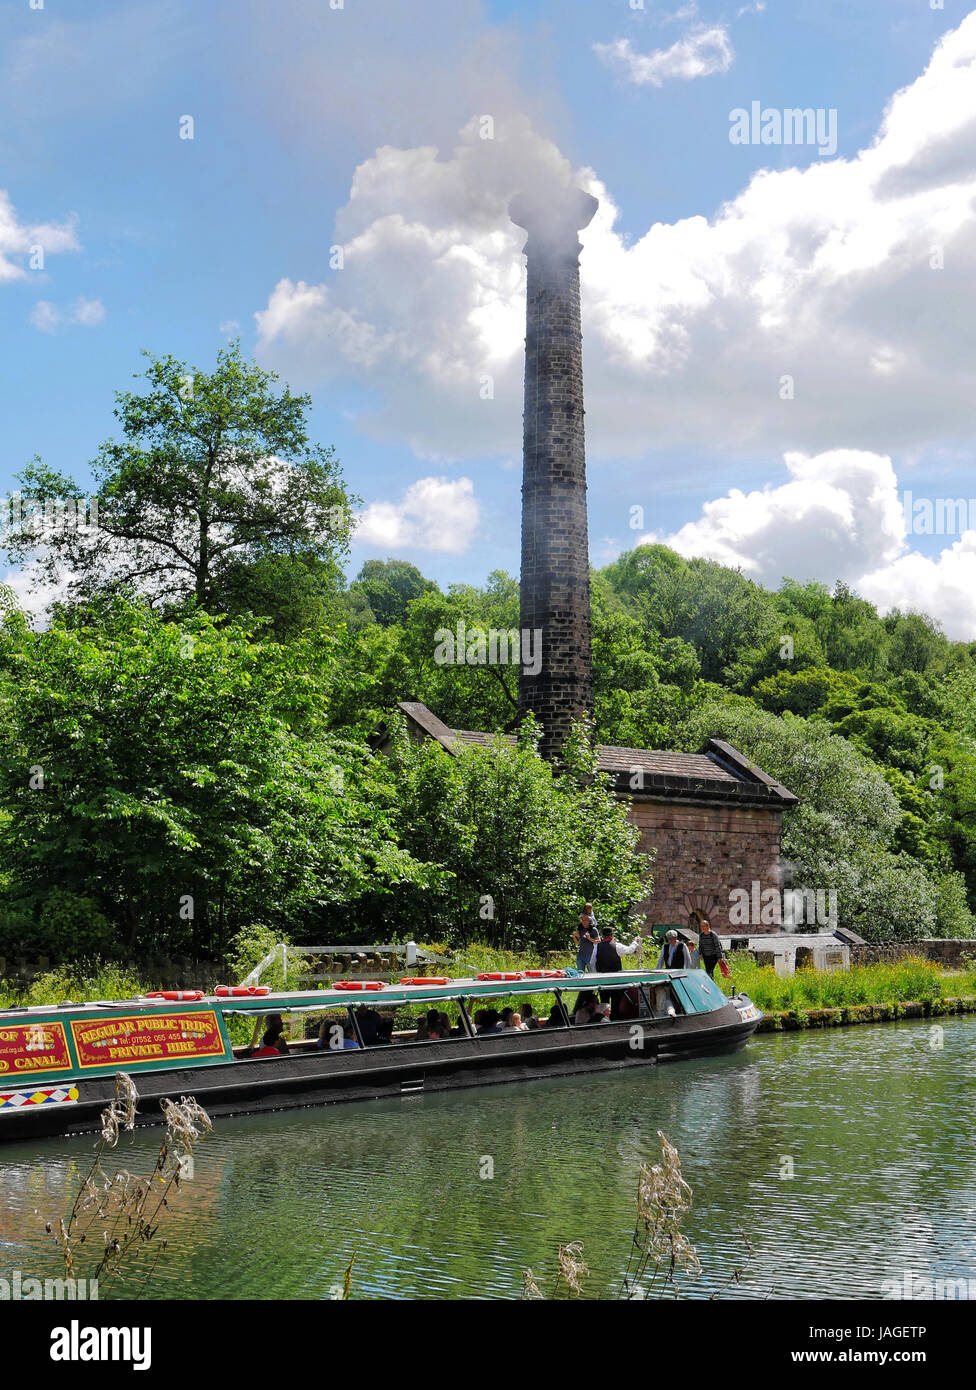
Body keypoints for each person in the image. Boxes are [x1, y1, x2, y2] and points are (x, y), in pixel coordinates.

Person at [594, 926, 642, 1019]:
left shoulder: (597, 946)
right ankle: (615, 1019)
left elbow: (592, 962)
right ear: (612, 935)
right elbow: (629, 950)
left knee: (604, 1002)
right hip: (615, 979)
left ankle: (604, 1020)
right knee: (616, 1002)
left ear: (602, 936)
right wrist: (635, 942)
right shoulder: (617, 945)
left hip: (602, 979)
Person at [574, 903, 600, 972]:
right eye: (583, 920)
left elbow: (598, 941)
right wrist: (574, 936)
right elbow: (577, 943)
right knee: (579, 973)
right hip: (581, 955)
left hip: (590, 955)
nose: (584, 921)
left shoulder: (593, 929)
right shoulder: (580, 928)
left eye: (586, 920)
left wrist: (589, 938)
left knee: (592, 974)